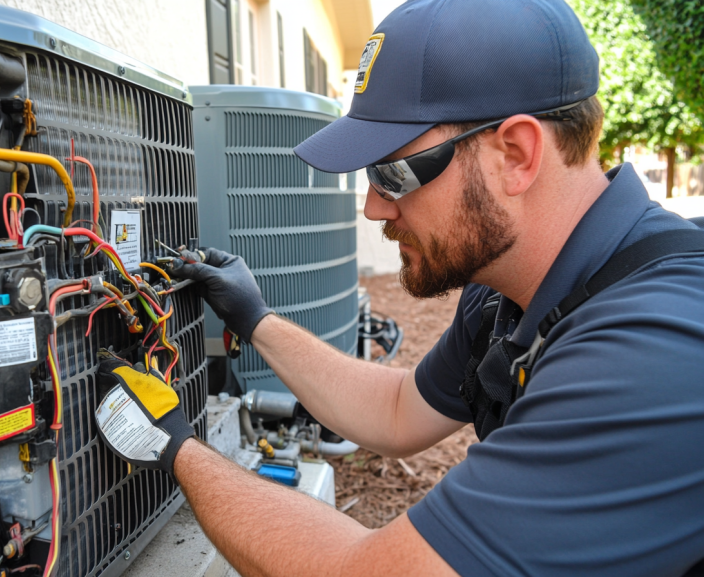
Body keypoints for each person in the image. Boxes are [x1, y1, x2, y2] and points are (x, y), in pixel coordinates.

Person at [98, 0, 704, 574]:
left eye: (392, 171)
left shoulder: (653, 351)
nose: (373, 208)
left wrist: (177, 446)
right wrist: (255, 319)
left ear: (515, 155)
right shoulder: (507, 294)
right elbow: (396, 413)